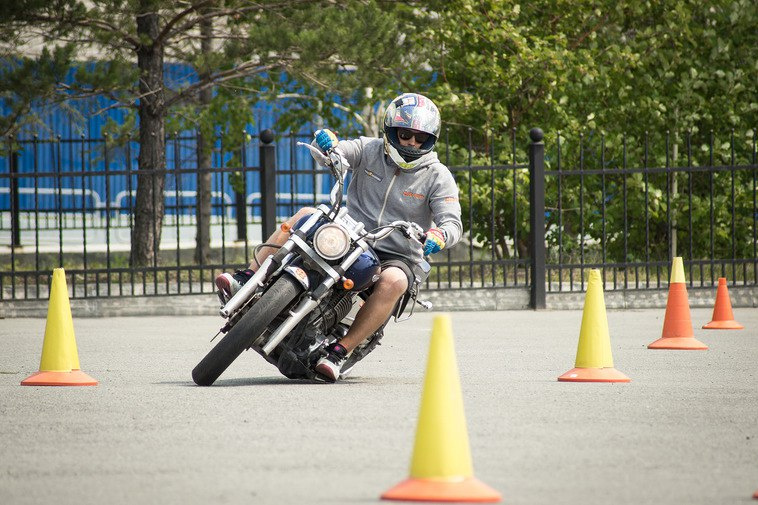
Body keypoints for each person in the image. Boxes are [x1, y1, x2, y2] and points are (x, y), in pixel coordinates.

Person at [215, 92, 462, 381]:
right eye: (405, 134)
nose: (411, 143)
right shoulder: (368, 149)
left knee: (395, 280)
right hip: (351, 231)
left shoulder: (437, 175)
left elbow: (452, 222)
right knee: (306, 213)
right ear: (391, 130)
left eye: (420, 138)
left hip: (397, 252)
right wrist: (329, 145)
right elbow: (339, 155)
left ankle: (339, 351)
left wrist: (440, 235)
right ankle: (246, 278)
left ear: (430, 140)